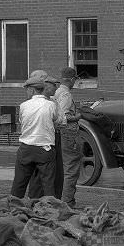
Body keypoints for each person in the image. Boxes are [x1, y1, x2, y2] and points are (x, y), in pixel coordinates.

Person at [11, 70, 61, 199]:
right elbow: (58, 121)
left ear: (32, 90)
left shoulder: (23, 106)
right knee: (48, 185)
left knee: (19, 183)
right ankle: (50, 209)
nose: (26, 92)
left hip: (26, 148)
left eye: (26, 90)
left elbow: (22, 122)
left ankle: (13, 207)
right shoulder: (51, 105)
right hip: (45, 149)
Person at [53, 67, 83, 207]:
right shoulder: (65, 94)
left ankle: (61, 199)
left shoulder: (57, 92)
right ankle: (68, 202)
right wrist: (78, 116)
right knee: (71, 169)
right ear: (72, 79)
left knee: (63, 168)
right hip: (69, 133)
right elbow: (63, 116)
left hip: (60, 134)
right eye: (75, 80)